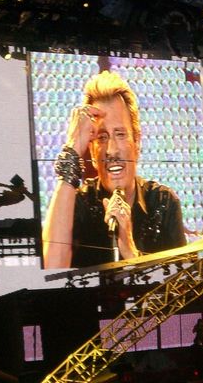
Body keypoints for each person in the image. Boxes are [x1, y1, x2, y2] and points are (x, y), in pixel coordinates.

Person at [42, 71, 186, 268]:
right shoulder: (79, 204)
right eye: (101, 137)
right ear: (92, 152)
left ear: (137, 142)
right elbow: (52, 268)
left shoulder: (163, 202)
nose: (111, 150)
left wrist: (129, 250)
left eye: (120, 134)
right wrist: (73, 148)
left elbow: (183, 286)